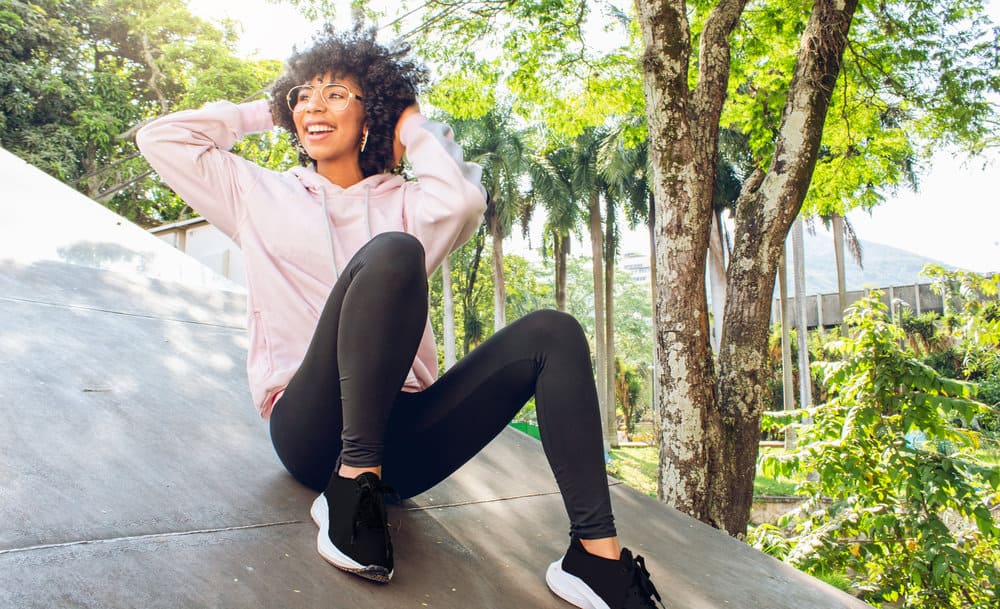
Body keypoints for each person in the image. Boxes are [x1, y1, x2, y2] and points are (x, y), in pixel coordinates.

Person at [136, 26, 663, 609]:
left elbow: (463, 201)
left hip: (406, 445)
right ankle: (347, 488)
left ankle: (596, 559)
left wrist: (409, 121)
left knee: (552, 332)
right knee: (395, 251)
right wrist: (272, 108)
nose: (315, 104)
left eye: (337, 94)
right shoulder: (256, 194)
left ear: (371, 117)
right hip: (312, 433)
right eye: (304, 95)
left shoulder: (408, 203)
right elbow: (162, 138)